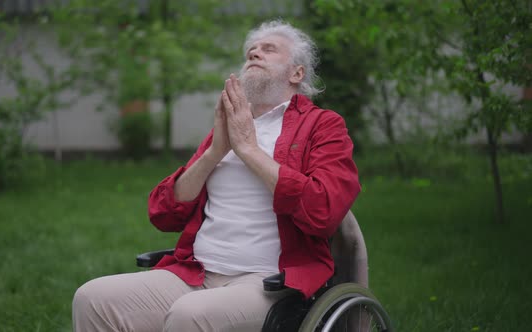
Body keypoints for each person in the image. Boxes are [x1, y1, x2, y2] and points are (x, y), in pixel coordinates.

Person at [72, 19, 360, 332]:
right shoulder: (227, 128)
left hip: (269, 283)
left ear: (297, 73)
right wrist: (214, 152)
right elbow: (163, 213)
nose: (254, 54)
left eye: (268, 49)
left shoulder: (323, 126)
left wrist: (249, 150)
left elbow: (324, 210)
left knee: (189, 314)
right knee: (91, 298)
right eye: (251, 50)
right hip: (196, 274)